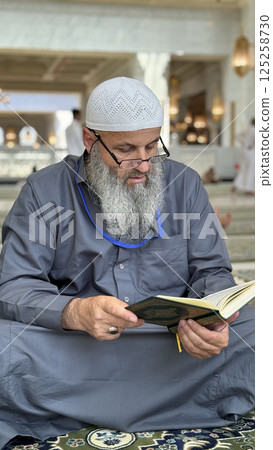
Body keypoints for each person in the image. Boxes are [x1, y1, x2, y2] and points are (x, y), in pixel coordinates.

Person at [0, 77, 254, 448]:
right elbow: (14, 286)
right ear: (90, 141)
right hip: (78, 351)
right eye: (127, 149)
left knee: (259, 324)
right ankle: (184, 403)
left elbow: (213, 272)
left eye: (152, 146)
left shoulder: (184, 184)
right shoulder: (44, 192)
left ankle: (71, 408)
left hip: (170, 347)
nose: (145, 165)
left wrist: (210, 321)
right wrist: (74, 311)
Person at [231, 118, 255, 195]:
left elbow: (236, 136)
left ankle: (236, 185)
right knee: (250, 170)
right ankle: (248, 189)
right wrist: (249, 145)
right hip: (251, 153)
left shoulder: (248, 129)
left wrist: (244, 143)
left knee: (243, 169)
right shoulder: (254, 130)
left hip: (245, 151)